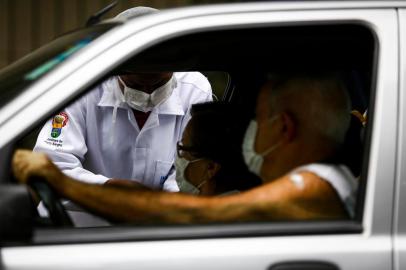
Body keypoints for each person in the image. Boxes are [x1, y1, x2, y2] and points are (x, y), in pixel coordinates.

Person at [14, 73, 358, 224]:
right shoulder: (326, 179)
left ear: (283, 127)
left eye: (257, 118)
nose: (247, 131)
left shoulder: (312, 188)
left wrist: (65, 183)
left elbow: (192, 216)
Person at [33, 7, 212, 192]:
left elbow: (194, 171)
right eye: (138, 85)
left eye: (157, 83)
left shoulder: (194, 89)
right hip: (79, 218)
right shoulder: (82, 87)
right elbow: (52, 165)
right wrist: (110, 189)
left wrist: (159, 203)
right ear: (115, 70)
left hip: (159, 217)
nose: (148, 93)